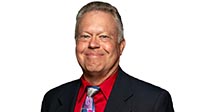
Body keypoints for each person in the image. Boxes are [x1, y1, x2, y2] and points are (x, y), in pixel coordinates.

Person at [41, 1, 174, 112]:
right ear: (76, 43)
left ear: (121, 46)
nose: (93, 44)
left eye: (103, 37)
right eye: (85, 36)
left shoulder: (153, 103)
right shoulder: (53, 100)